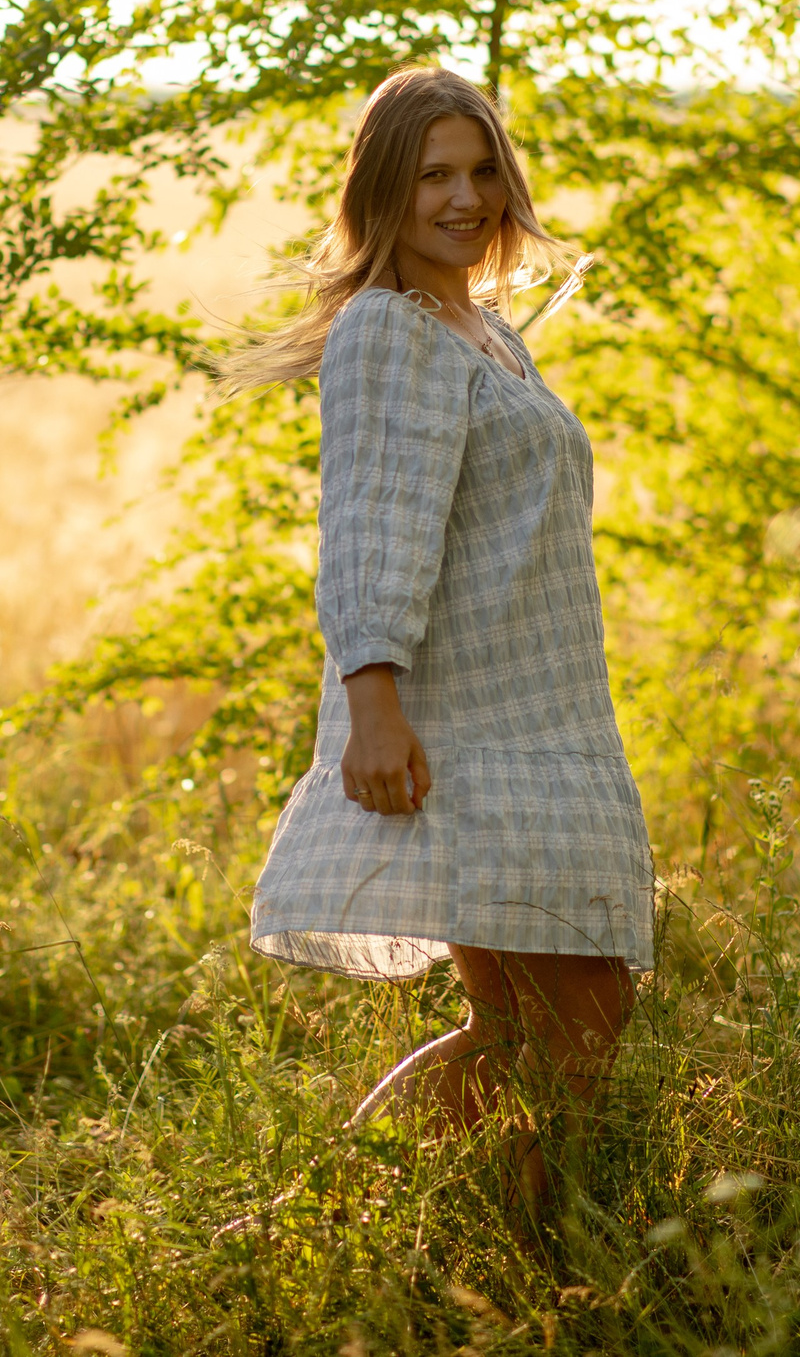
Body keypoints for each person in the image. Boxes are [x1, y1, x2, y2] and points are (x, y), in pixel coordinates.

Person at [225, 64, 656, 1223]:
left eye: (479, 171)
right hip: (467, 732)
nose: (464, 198)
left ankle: (376, 1228)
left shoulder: (486, 330)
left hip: (541, 715)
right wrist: (372, 707)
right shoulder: (386, 328)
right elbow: (373, 522)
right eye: (432, 177)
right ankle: (387, 1231)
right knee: (567, 1021)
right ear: (382, 192)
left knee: (538, 1021)